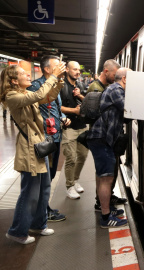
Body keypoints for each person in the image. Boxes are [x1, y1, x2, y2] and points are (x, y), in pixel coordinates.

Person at [1, 63, 66, 244]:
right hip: (29, 149)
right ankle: (17, 231)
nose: (28, 75)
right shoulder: (12, 96)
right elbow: (39, 95)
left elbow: (47, 97)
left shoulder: (24, 93)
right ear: (14, 81)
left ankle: (39, 224)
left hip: (39, 146)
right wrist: (53, 76)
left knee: (44, 187)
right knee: (30, 191)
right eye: (23, 74)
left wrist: (58, 81)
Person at [27, 55, 71, 221]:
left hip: (55, 136)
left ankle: (43, 209)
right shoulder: (36, 87)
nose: (61, 68)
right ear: (47, 69)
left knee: (50, 175)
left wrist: (63, 117)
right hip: (44, 138)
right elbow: (37, 104)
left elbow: (56, 109)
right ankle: (42, 212)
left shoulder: (56, 85)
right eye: (57, 65)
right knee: (43, 178)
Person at [86, 68, 131, 228]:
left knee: (102, 176)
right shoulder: (116, 89)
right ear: (124, 79)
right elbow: (128, 109)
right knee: (106, 178)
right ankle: (106, 218)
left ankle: (104, 208)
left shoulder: (112, 89)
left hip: (102, 138)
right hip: (102, 139)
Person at [60, 61, 88, 199]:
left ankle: (75, 180)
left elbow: (88, 104)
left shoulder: (81, 85)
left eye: (79, 70)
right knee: (71, 157)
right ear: (67, 70)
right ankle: (69, 185)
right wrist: (73, 111)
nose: (77, 72)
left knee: (82, 156)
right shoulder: (60, 86)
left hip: (82, 126)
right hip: (68, 127)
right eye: (74, 69)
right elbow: (56, 107)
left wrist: (79, 95)